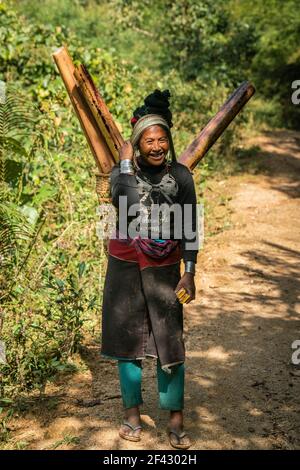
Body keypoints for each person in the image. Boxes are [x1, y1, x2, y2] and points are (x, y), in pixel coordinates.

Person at [101, 90, 199, 449]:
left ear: (169, 142)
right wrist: (125, 164)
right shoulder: (120, 174)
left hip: (166, 266)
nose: (156, 146)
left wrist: (189, 270)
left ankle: (175, 421)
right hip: (125, 265)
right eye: (148, 141)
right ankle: (132, 418)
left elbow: (189, 225)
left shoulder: (182, 177)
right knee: (127, 342)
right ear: (137, 145)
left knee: (169, 341)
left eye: (162, 140)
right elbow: (126, 210)